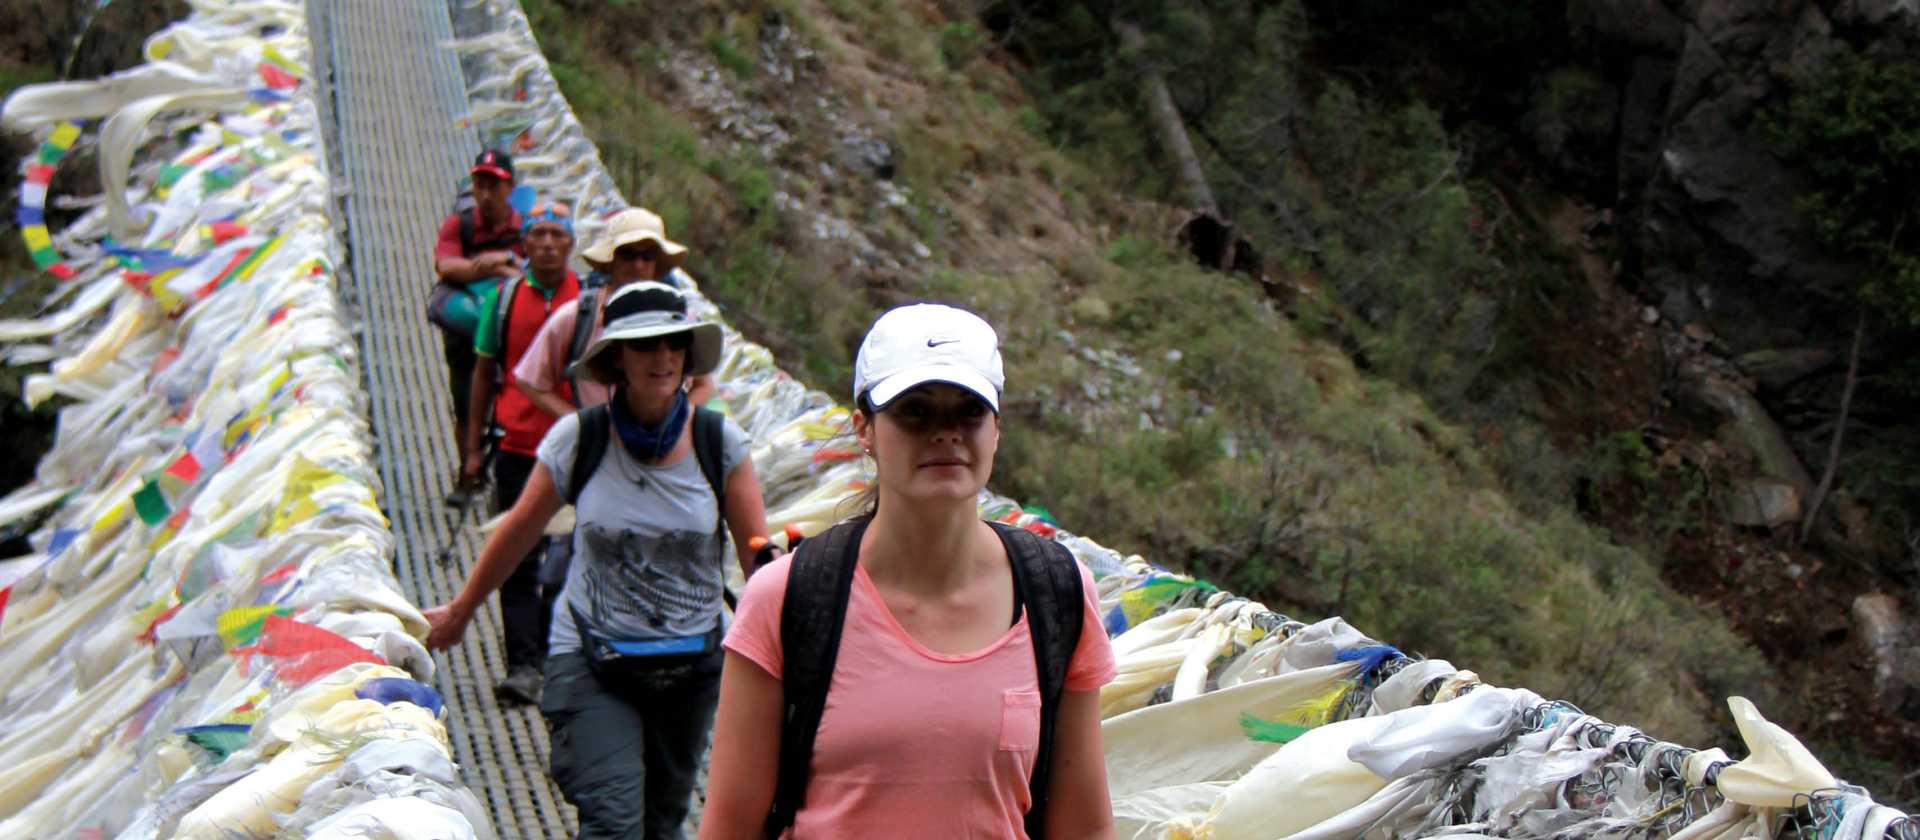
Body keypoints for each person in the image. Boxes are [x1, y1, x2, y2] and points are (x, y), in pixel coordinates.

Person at [700, 304, 1118, 839]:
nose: (946, 434)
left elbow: (1083, 827)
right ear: (865, 430)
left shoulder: (1054, 594)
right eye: (915, 412)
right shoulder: (788, 599)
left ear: (996, 431)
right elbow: (729, 827)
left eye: (968, 412)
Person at [426, 281, 771, 839]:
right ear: (617, 360)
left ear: (686, 356)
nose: (661, 358)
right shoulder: (581, 439)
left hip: (688, 667)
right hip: (590, 657)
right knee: (613, 821)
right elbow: (519, 530)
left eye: (672, 345)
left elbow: (756, 556)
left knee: (662, 824)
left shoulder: (719, 442)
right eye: (644, 346)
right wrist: (462, 611)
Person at [460, 199, 581, 705]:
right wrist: (470, 449)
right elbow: (484, 374)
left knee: (569, 560)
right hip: (517, 446)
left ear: (571, 244)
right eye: (539, 234)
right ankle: (523, 665)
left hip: (577, 451)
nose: (548, 243)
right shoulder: (505, 300)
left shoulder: (592, 301)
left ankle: (558, 659)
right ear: (524, 243)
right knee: (516, 560)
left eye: (557, 234)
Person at [514, 206, 714, 416]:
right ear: (612, 259)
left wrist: (675, 426)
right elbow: (529, 380)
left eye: (647, 256)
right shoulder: (579, 316)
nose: (638, 265)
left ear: (657, 263)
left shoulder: (680, 318)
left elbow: (703, 384)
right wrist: (583, 426)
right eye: (628, 254)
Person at [432, 148, 522, 507]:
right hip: (465, 329)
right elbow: (446, 266)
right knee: (466, 399)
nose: (485, 194)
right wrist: (493, 268)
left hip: (510, 328)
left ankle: (499, 474)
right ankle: (467, 474)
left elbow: (532, 272)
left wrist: (502, 262)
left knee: (507, 399)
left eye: (493, 186)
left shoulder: (526, 228)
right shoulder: (460, 224)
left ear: (509, 188)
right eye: (479, 184)